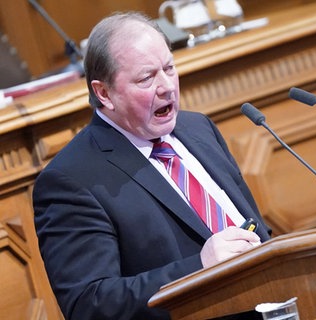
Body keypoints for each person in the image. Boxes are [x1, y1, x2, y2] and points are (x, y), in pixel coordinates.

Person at [33, 11, 271, 320]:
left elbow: (255, 230)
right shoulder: (71, 180)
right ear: (104, 93)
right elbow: (89, 305)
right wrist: (199, 267)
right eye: (147, 78)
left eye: (169, 68)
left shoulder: (198, 128)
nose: (167, 87)